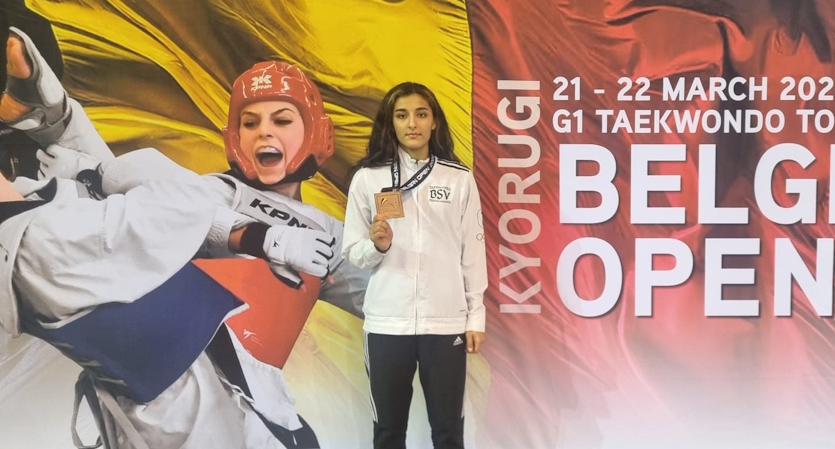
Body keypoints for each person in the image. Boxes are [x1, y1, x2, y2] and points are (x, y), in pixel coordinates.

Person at [2, 26, 369, 448]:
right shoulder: (205, 190)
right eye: (250, 122)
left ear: (316, 132)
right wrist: (60, 122)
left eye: (282, 120)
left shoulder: (327, 234)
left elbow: (396, 295)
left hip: (239, 409)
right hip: (165, 388)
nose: (264, 132)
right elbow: (125, 212)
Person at [342, 82, 488, 449]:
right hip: (387, 323)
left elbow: (472, 251)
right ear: (390, 122)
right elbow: (352, 252)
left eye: (421, 114)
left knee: (449, 433)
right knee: (388, 433)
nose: (412, 124)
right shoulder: (368, 178)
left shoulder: (458, 179)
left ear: (434, 121)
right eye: (402, 115)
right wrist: (376, 247)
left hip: (445, 323)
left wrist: (475, 317)